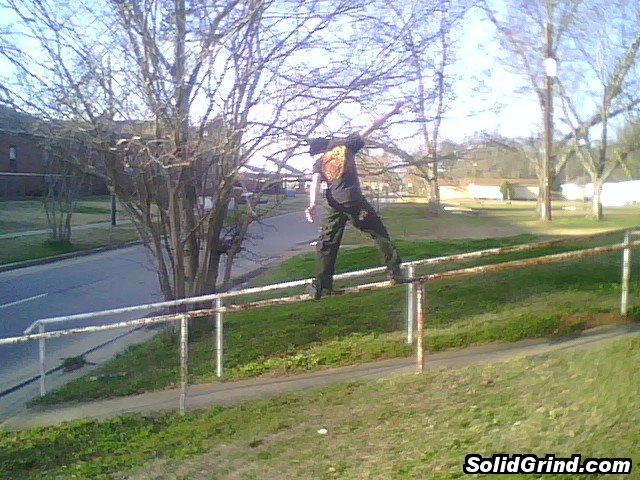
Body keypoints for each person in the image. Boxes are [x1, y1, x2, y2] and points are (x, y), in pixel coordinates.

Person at [305, 101, 404, 300]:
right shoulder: (346, 146)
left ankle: (323, 285)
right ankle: (394, 271)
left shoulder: (319, 163)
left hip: (332, 203)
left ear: (320, 150)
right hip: (353, 200)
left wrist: (312, 204)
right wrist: (391, 110)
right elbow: (372, 125)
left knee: (327, 243)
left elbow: (315, 182)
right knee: (377, 232)